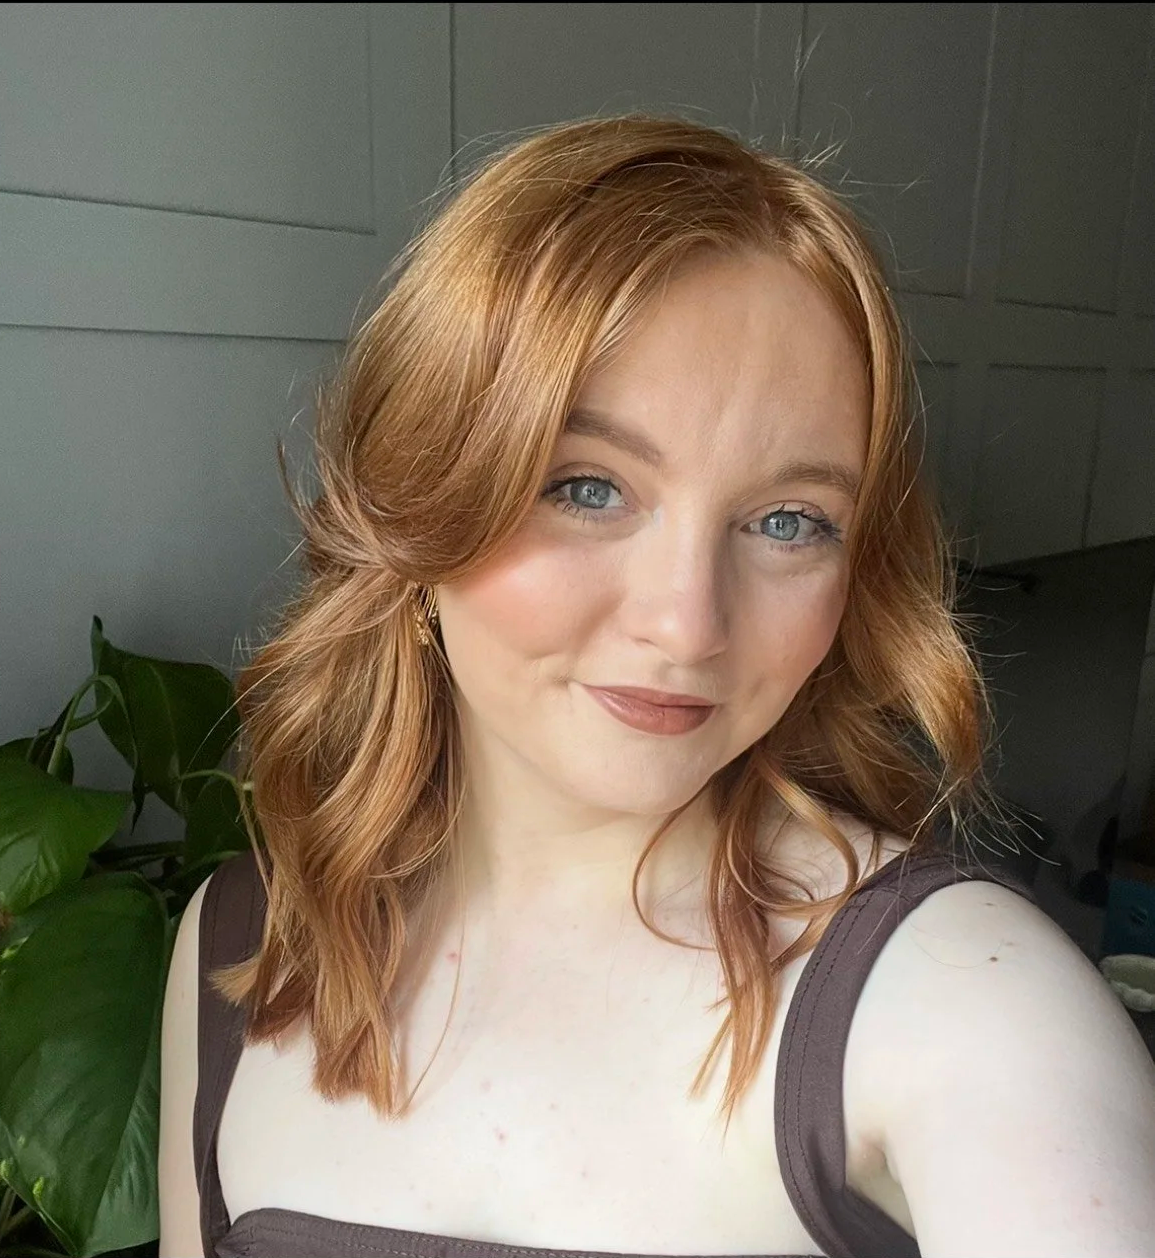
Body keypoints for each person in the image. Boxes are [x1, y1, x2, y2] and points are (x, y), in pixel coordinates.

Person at [157, 115, 1155, 1258]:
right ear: (417, 508)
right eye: (587, 487)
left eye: (789, 521)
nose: (689, 623)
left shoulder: (969, 1001)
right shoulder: (246, 943)